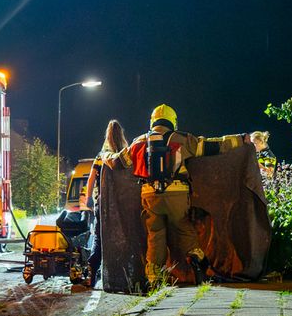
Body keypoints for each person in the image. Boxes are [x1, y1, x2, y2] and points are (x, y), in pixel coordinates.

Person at [113, 103, 248, 284]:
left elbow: (118, 163)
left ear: (152, 121)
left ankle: (154, 280)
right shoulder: (183, 139)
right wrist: (241, 139)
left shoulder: (139, 142)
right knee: (185, 231)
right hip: (177, 194)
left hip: (150, 195)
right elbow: (212, 146)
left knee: (155, 236)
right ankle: (199, 266)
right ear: (173, 121)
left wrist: (104, 156)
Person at [83, 119, 128, 287]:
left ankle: (92, 273)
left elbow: (91, 179)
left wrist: (89, 198)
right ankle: (120, 275)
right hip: (121, 205)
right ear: (121, 135)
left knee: (100, 238)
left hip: (101, 204)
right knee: (122, 236)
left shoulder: (101, 156)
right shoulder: (124, 154)